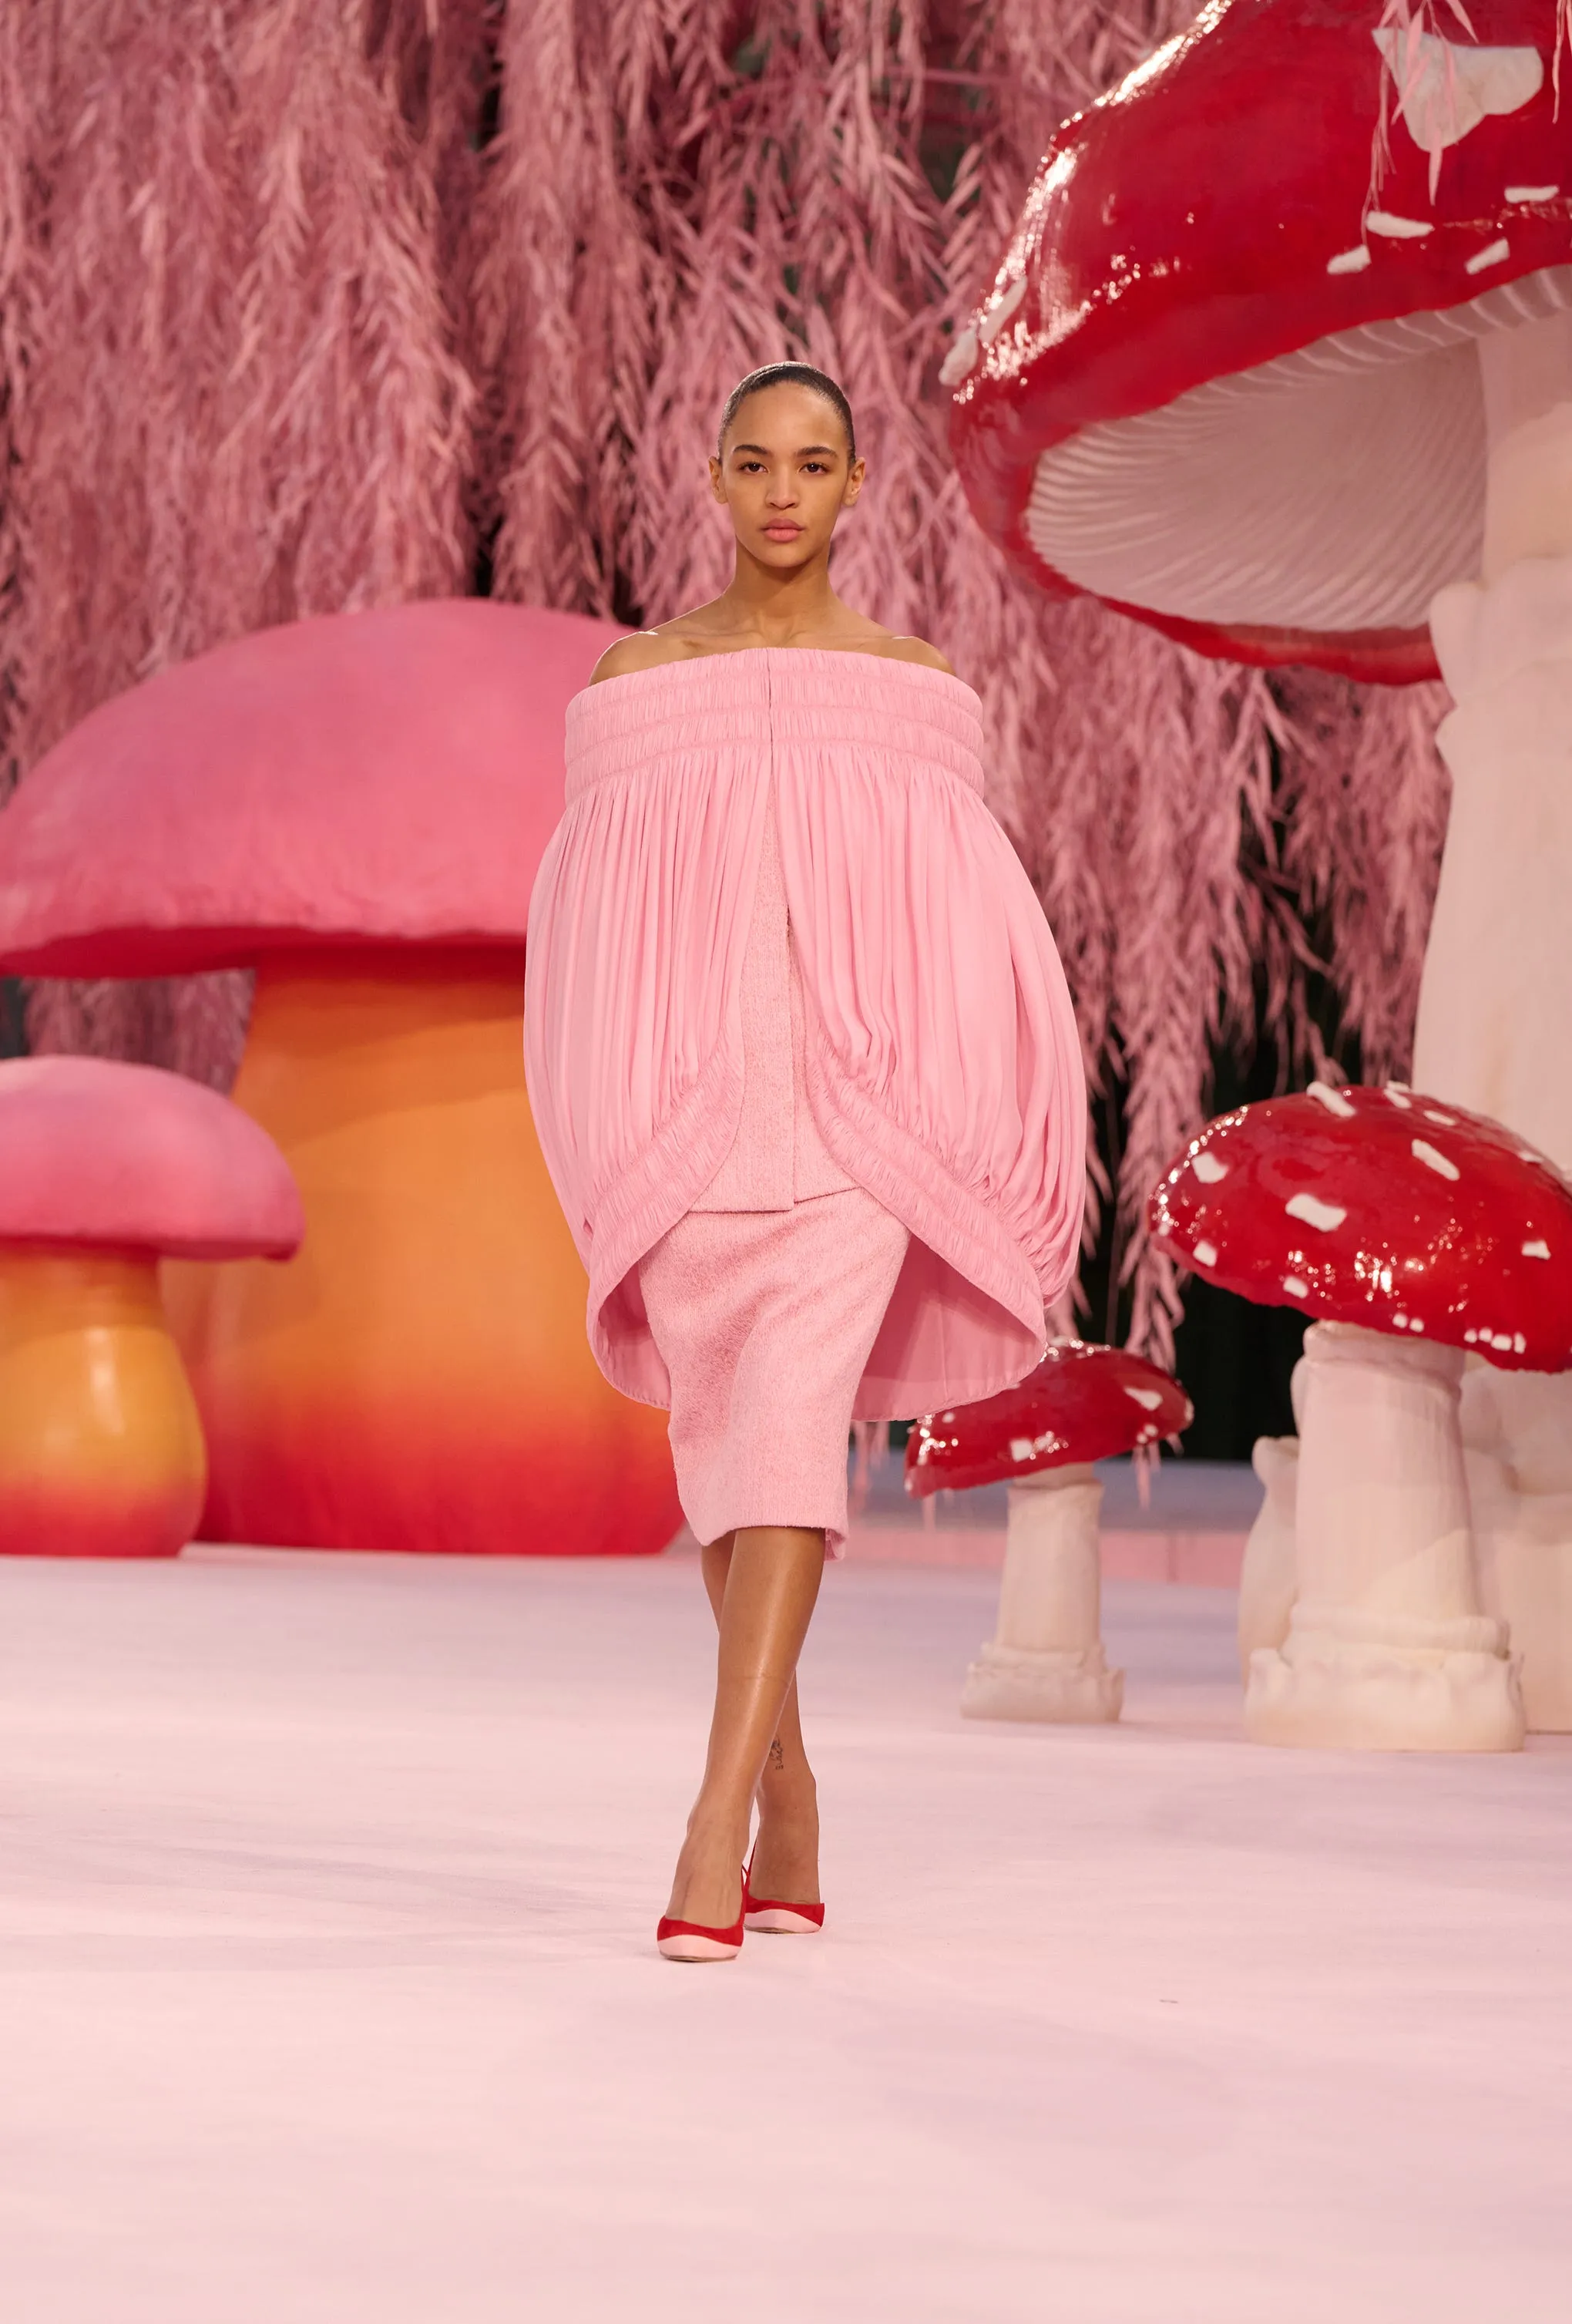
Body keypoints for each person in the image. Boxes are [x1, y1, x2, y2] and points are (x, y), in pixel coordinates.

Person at [524, 362, 1085, 1960]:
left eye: (815, 462)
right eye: (756, 461)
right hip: (693, 1114)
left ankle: (713, 1825)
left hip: (848, 1120)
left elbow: (972, 923)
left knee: (781, 1437)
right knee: (732, 1451)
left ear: (855, 488)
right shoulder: (636, 686)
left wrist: (963, 1100)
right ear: (712, 479)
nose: (784, 490)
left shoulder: (914, 690)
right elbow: (584, 927)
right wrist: (605, 1108)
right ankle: (795, 1788)